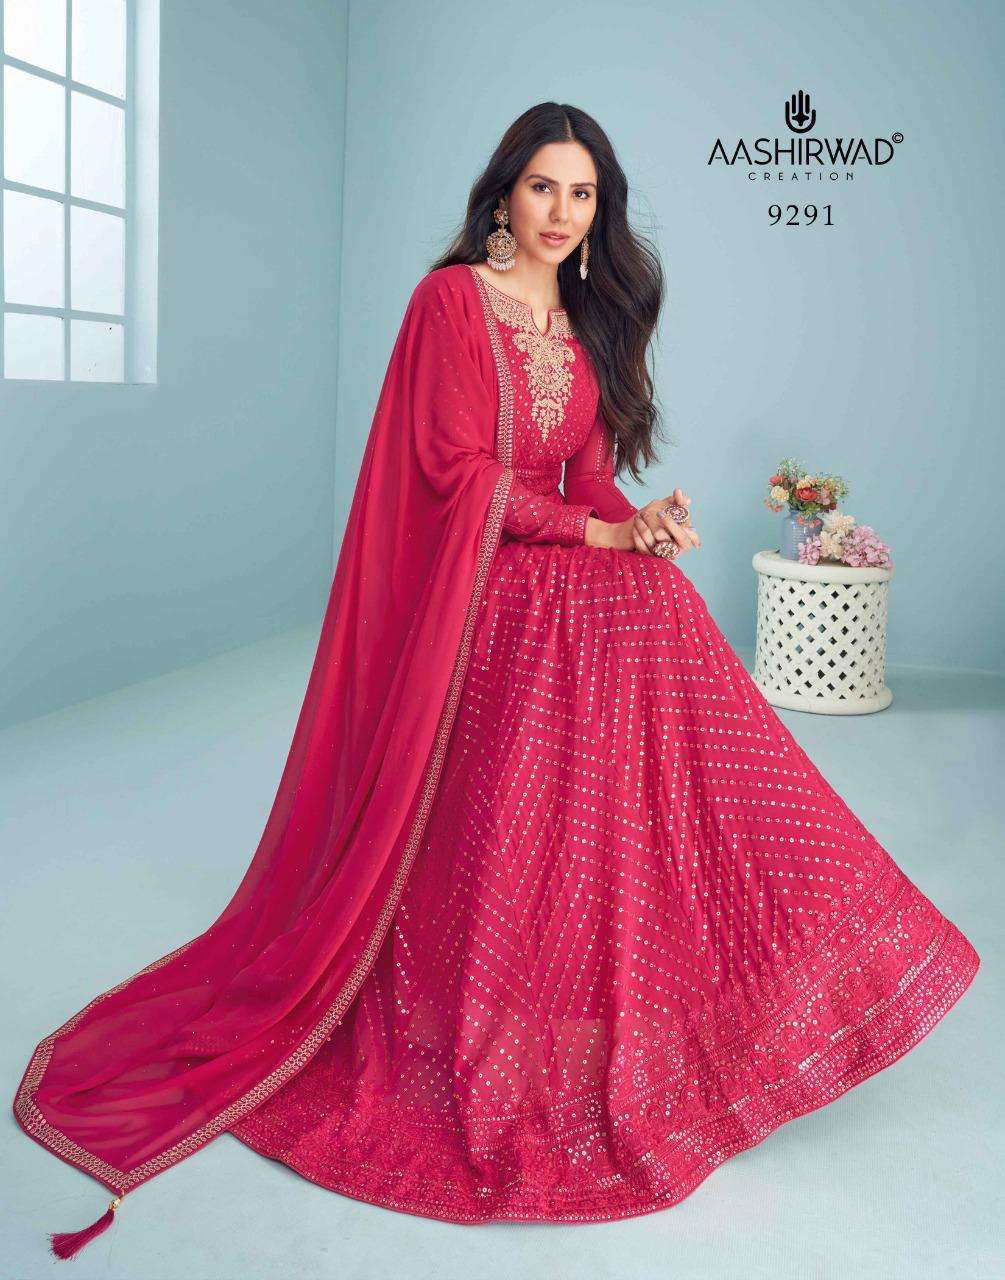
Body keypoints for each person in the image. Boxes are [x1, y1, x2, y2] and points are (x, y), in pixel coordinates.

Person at [15, 103, 980, 1258]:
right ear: (504, 195)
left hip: (553, 570)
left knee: (661, 602)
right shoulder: (452, 302)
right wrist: (596, 536)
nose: (562, 214)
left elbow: (588, 479)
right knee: (626, 608)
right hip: (469, 590)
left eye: (583, 194)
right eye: (543, 188)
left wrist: (642, 523)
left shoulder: (584, 321)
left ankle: (760, 935)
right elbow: (455, 472)